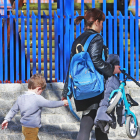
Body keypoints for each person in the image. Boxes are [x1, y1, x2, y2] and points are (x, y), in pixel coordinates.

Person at [62, 8, 121, 140]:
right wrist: (112, 69)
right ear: (96, 21)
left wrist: (66, 93)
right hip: (94, 88)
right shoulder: (96, 38)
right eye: (101, 23)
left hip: (81, 87)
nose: (102, 26)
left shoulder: (78, 40)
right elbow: (96, 61)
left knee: (98, 125)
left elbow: (71, 68)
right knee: (89, 124)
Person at [1, 74, 68, 140]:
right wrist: (63, 102)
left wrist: (6, 119)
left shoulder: (20, 98)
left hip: (24, 127)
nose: (41, 93)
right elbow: (50, 103)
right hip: (32, 129)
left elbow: (13, 110)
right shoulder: (37, 98)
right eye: (42, 91)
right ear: (38, 89)